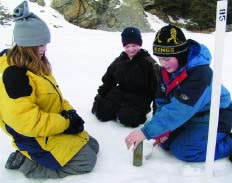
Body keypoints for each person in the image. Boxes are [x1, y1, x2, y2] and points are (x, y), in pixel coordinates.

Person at [0, 1, 99, 179]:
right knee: (87, 160)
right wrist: (66, 123)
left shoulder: (35, 64)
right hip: (32, 137)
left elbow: (54, 96)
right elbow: (29, 123)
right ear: (26, 46)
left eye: (45, 44)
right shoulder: (15, 77)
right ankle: (26, 162)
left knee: (93, 145)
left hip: (50, 123)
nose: (45, 50)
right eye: (40, 45)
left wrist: (70, 112)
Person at [125, 24, 232, 162]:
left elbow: (180, 109)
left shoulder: (200, 73)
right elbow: (161, 101)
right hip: (191, 116)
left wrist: (146, 131)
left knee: (184, 150)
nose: (163, 64)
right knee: (165, 142)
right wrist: (161, 131)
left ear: (180, 55)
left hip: (214, 117)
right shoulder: (166, 71)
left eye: (167, 59)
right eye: (159, 59)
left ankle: (228, 142)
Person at [92, 27, 160, 127]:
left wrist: (157, 115)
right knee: (101, 114)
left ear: (139, 44)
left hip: (140, 96)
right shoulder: (120, 60)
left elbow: (157, 90)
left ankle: (130, 112)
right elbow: (108, 80)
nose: (131, 49)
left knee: (128, 119)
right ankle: (114, 107)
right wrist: (101, 95)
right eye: (127, 46)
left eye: (134, 45)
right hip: (121, 92)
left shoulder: (149, 63)